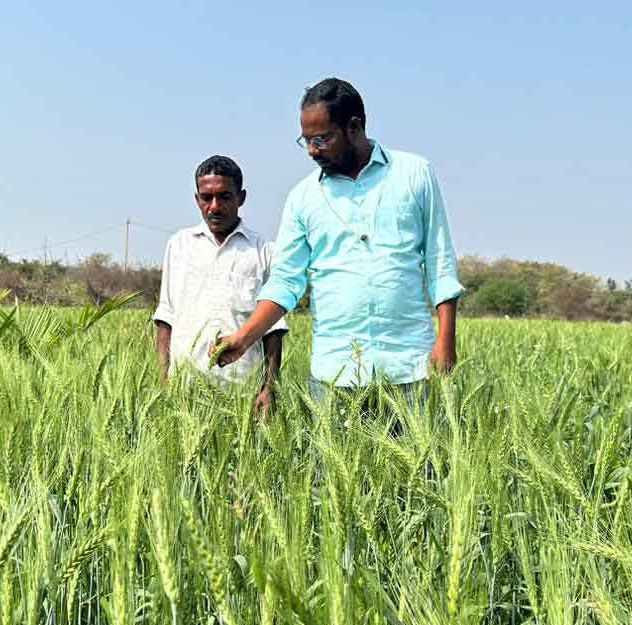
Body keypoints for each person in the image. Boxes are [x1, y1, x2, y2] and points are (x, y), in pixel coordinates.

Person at [212, 78, 463, 403]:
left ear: (354, 127)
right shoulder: (303, 197)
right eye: (306, 141)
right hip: (335, 376)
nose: (313, 151)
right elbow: (285, 282)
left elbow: (440, 261)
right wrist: (244, 338)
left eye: (322, 139)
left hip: (409, 366)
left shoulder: (414, 174)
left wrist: (446, 339)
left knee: (421, 455)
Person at [153, 155, 288, 416]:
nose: (214, 206)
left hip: (242, 392)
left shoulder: (263, 251)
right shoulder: (179, 246)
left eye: (225, 196)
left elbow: (274, 330)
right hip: (186, 392)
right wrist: (164, 379)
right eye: (206, 197)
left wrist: (269, 388)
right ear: (197, 199)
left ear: (242, 197)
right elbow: (165, 319)